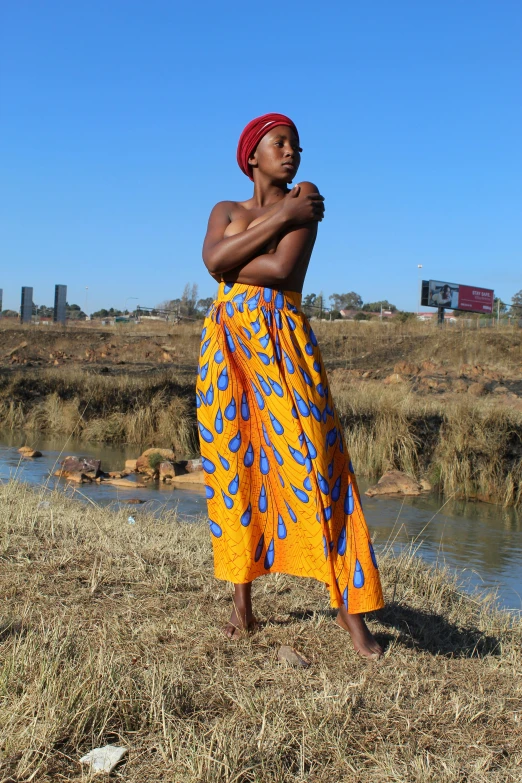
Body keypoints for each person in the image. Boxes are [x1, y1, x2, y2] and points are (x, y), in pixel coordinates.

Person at [196, 113, 384, 659]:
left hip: (283, 344)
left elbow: (280, 270)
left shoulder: (308, 198)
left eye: (297, 146)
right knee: (236, 470)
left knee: (316, 467)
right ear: (253, 154)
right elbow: (212, 261)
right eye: (281, 144)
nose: (293, 153)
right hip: (225, 351)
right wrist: (277, 219)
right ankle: (242, 608)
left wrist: (234, 259)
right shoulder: (227, 209)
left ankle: (355, 619)